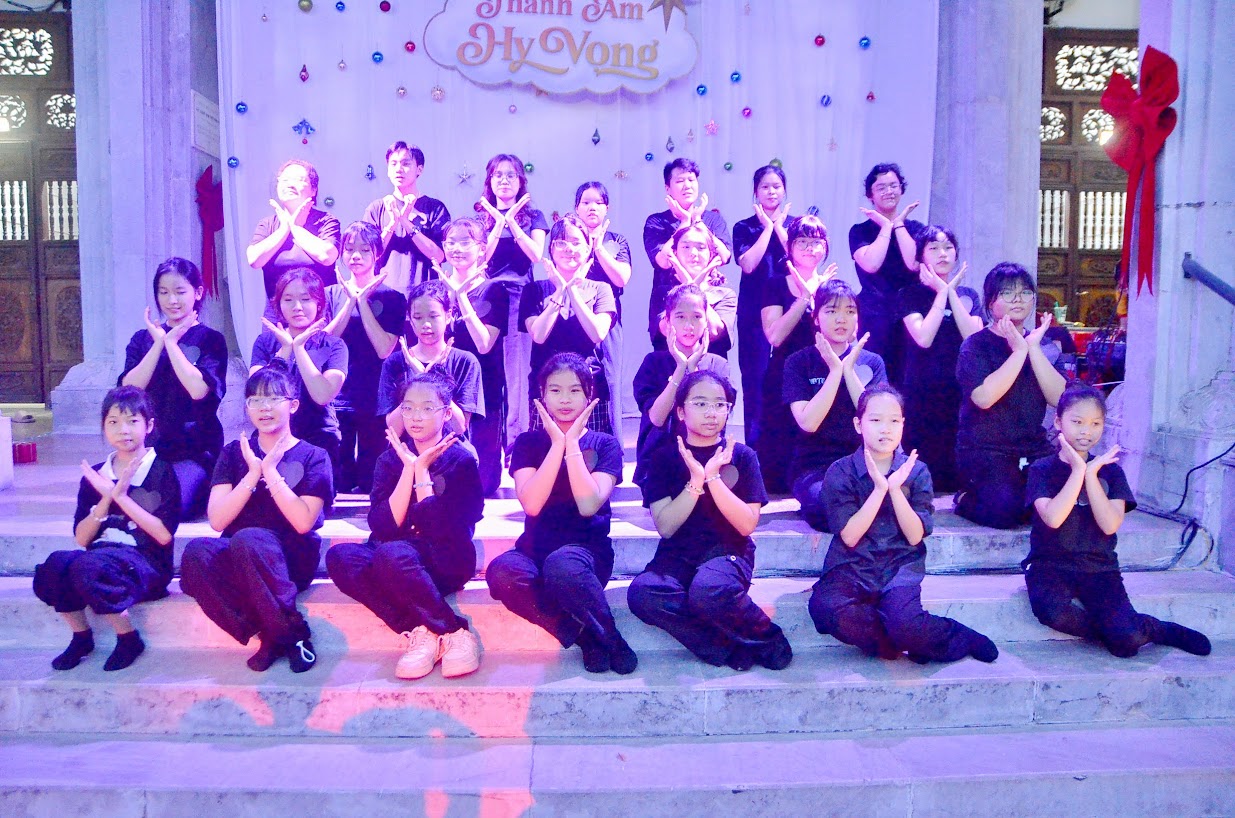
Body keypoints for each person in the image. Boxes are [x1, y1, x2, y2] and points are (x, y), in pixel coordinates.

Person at [808, 385, 999, 664]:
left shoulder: (917, 471)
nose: (885, 429)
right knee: (826, 608)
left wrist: (896, 490)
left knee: (905, 622)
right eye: (876, 420)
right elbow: (849, 536)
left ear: (903, 425)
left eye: (894, 421)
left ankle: (954, 635)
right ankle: (900, 643)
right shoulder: (840, 471)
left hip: (899, 563)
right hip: (852, 564)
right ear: (858, 424)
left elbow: (914, 536)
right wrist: (879, 489)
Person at [1024, 384, 1211, 658]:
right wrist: (1078, 471)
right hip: (1050, 565)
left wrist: (1091, 475)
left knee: (1127, 642)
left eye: (1095, 423)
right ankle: (1116, 630)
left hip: (1099, 567)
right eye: (1077, 422)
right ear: (1058, 422)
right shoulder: (1042, 469)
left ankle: (1155, 629)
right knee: (1051, 611)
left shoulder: (1111, 473)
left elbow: (1110, 524)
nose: (1086, 431)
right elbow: (1053, 518)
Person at [628, 370, 791, 671]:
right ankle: (723, 647)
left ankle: (769, 639)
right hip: (677, 553)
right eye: (700, 403)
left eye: (719, 404)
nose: (711, 412)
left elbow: (747, 525)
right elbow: (666, 527)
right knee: (643, 593)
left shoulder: (743, 456)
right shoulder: (663, 458)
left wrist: (713, 478)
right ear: (681, 411)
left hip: (728, 550)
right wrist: (695, 480)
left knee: (708, 589)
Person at [326, 371, 485, 679]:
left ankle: (456, 633)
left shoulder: (462, 461)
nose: (415, 416)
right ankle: (424, 631)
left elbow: (441, 530)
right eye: (408, 408)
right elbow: (383, 526)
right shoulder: (389, 460)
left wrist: (422, 473)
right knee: (341, 557)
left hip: (446, 558)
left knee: (393, 553)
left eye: (427, 408)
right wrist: (409, 469)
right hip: (394, 557)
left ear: (446, 413)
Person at [487, 354, 637, 674]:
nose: (565, 399)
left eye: (574, 390)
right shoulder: (528, 443)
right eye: (555, 390)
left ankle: (609, 636)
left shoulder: (606, 444)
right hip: (535, 551)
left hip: (587, 554)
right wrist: (557, 444)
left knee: (563, 565)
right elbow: (532, 504)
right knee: (502, 572)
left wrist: (571, 446)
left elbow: (588, 504)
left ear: (589, 394)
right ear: (542, 394)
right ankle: (587, 636)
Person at [180, 367, 334, 672]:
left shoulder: (314, 456)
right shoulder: (233, 453)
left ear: (293, 405)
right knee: (197, 553)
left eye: (274, 399)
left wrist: (271, 472)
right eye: (255, 400)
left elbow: (303, 522)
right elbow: (217, 520)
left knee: (249, 539)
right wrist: (252, 475)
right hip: (241, 552)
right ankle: (271, 632)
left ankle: (293, 635)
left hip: (291, 556)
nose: (264, 408)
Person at [33, 386, 181, 671]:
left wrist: (120, 496)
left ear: (149, 426)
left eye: (132, 421)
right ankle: (81, 636)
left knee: (89, 567)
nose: (123, 430)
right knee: (56, 565)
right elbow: (81, 538)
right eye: (113, 422)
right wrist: (104, 499)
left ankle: (128, 638)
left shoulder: (162, 471)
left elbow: (163, 535)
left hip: (146, 563)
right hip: (99, 556)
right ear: (103, 426)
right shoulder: (96, 474)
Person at [955, 262, 1065, 529]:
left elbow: (1059, 399)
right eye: (1007, 293)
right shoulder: (976, 345)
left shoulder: (1044, 345)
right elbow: (984, 398)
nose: (1018, 299)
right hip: (986, 450)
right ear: (990, 302)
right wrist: (1018, 352)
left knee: (1063, 503)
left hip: (1033, 447)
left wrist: (1033, 348)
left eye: (1025, 292)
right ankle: (964, 499)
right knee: (1005, 511)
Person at [120, 257, 227, 518]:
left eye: (180, 292)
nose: (172, 300)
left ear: (197, 292)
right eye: (163, 292)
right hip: (149, 448)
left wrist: (171, 344)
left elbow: (198, 391)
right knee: (125, 501)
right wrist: (158, 343)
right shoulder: (142, 340)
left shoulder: (211, 340)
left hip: (194, 450)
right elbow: (130, 390)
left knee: (170, 506)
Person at [784, 281, 887, 530]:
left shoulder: (872, 362)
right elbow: (809, 422)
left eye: (850, 311)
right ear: (816, 318)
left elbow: (877, 419)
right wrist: (834, 371)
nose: (841, 319)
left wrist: (848, 371)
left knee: (892, 502)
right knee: (827, 506)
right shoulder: (799, 362)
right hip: (815, 466)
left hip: (864, 461)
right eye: (831, 311)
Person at [897, 225, 983, 493]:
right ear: (921, 256)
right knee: (924, 468)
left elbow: (973, 336)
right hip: (922, 389)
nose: (942, 254)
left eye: (948, 247)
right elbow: (923, 337)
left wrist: (949, 292)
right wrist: (941, 294)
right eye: (933, 248)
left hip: (961, 389)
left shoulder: (968, 295)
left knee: (957, 466)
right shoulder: (909, 294)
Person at [324, 221, 406, 494]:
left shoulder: (393, 298)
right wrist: (350, 301)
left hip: (377, 395)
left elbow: (384, 349)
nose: (355, 256)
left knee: (372, 480)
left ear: (377, 253)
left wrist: (362, 301)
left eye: (364, 249)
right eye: (349, 249)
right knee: (341, 481)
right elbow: (325, 341)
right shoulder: (330, 294)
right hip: (339, 395)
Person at [757, 215, 836, 493]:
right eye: (802, 241)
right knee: (779, 439)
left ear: (825, 247)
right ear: (789, 247)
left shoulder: (831, 287)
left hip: (821, 372)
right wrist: (805, 297)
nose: (809, 248)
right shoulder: (775, 284)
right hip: (783, 372)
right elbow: (775, 336)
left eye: (816, 242)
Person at [520, 214, 617, 434]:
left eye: (575, 242)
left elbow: (597, 333)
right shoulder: (534, 290)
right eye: (561, 242)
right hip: (546, 387)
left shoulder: (601, 289)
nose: (568, 249)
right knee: (545, 450)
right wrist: (559, 291)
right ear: (551, 249)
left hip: (589, 386)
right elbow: (539, 335)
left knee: (590, 451)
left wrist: (571, 289)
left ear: (588, 248)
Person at [478, 154, 549, 450]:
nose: (504, 180)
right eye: (498, 175)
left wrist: (512, 222)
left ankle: (516, 442)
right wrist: (498, 222)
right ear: (490, 181)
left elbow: (536, 255)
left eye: (510, 175)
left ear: (521, 182)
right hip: (487, 299)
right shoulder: (481, 217)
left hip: (521, 299)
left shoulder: (534, 216)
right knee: (490, 371)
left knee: (517, 372)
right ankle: (489, 443)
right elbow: (481, 257)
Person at [434, 217, 509, 496]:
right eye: (451, 242)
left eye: (465, 242)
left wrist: (461, 297)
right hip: (445, 385)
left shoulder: (495, 290)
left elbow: (485, 344)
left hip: (484, 386)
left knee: (483, 483)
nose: (456, 249)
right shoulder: (436, 290)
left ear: (482, 248)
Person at [249, 268, 348, 473]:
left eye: (306, 299)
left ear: (319, 303)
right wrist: (285, 351)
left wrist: (299, 348)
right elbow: (257, 393)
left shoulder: (333, 345)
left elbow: (322, 395)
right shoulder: (265, 342)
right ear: (278, 304)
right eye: (288, 300)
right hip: (271, 436)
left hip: (319, 438)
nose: (297, 307)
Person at [632, 283, 730, 490]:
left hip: (707, 460)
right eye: (680, 317)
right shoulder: (653, 363)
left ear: (706, 321)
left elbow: (712, 419)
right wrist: (680, 368)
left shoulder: (718, 365)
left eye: (696, 317)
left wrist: (693, 369)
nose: (689, 325)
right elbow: (657, 418)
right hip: (658, 460)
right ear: (668, 322)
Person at [377, 280, 483, 442]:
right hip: (406, 451)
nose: (426, 324)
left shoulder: (466, 362)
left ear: (448, 316)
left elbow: (459, 427)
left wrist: (430, 378)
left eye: (433, 316)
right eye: (418, 317)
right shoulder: (395, 363)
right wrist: (419, 377)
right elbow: (394, 429)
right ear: (410, 319)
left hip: (451, 451)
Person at [643, 158, 732, 346]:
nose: (687, 185)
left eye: (691, 180)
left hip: (709, 294)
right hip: (668, 295)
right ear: (668, 188)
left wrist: (697, 221)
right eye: (680, 181)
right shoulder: (657, 222)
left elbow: (724, 256)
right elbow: (663, 261)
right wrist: (684, 222)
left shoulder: (713, 219)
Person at [732, 164, 790, 449]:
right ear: (755, 192)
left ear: (784, 190)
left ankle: (783, 448)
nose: (771, 191)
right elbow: (748, 264)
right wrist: (767, 228)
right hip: (753, 312)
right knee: (754, 380)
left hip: (789, 311)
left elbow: (798, 255)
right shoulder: (744, 227)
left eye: (776, 186)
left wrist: (779, 228)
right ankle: (755, 450)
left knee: (787, 377)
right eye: (765, 187)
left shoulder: (795, 225)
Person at [848, 163, 923, 382]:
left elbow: (913, 263)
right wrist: (886, 227)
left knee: (910, 379)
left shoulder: (916, 229)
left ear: (901, 189)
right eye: (881, 187)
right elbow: (871, 264)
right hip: (875, 312)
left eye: (893, 186)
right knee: (877, 379)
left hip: (912, 312)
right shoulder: (860, 231)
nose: (888, 191)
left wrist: (897, 225)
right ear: (870, 195)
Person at [575, 181, 633, 437]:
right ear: (577, 208)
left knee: (610, 382)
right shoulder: (571, 239)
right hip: (576, 318)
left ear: (606, 208)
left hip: (609, 320)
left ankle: (613, 447)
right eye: (586, 202)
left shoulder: (616, 241)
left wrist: (598, 248)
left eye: (598, 202)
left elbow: (622, 278)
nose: (592, 207)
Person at [363, 141, 450, 297]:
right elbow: (368, 254)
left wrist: (405, 222)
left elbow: (439, 256)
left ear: (419, 169)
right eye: (393, 164)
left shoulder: (434, 207)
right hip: (384, 295)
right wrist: (393, 223)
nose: (398, 169)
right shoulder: (377, 208)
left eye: (405, 163)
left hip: (426, 295)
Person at [246, 159, 340, 300]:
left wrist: (295, 227)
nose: (290, 184)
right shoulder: (267, 224)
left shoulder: (325, 220)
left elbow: (327, 256)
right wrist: (285, 228)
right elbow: (254, 260)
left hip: (322, 308)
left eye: (298, 180)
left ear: (313, 189)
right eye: (285, 180)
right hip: (278, 310)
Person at [657, 221, 738, 359]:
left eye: (701, 248)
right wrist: (690, 286)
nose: (693, 253)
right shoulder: (663, 292)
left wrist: (691, 286)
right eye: (686, 247)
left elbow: (714, 332)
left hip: (711, 368)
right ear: (675, 253)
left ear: (711, 254)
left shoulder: (725, 294)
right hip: (669, 367)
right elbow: (666, 329)